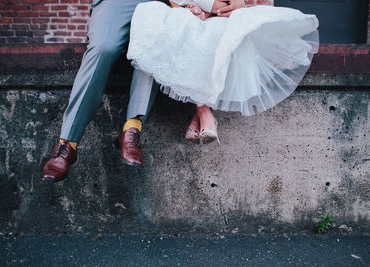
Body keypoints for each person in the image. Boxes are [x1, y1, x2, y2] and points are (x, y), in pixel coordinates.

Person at [41, 0, 245, 182]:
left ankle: (132, 131)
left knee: (154, 40)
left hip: (163, 3)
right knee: (104, 47)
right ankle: (66, 144)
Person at [127, 0, 319, 144]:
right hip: (194, 9)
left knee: (220, 32)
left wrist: (241, 3)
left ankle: (202, 113)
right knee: (181, 24)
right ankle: (203, 112)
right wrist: (205, 7)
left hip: (231, 14)